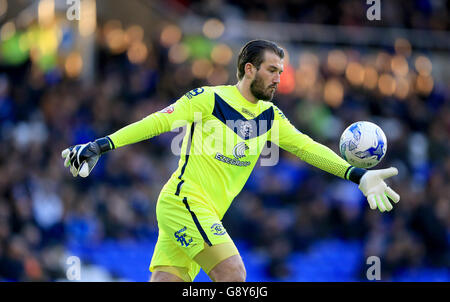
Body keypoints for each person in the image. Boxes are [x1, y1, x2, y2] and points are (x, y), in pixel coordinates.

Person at [61, 39, 400, 282]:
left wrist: (357, 175)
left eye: (280, 71)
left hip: (204, 213)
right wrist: (102, 145)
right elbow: (159, 121)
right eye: (271, 69)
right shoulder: (209, 99)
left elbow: (308, 147)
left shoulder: (271, 116)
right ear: (249, 69)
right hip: (185, 203)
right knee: (234, 275)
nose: (278, 77)